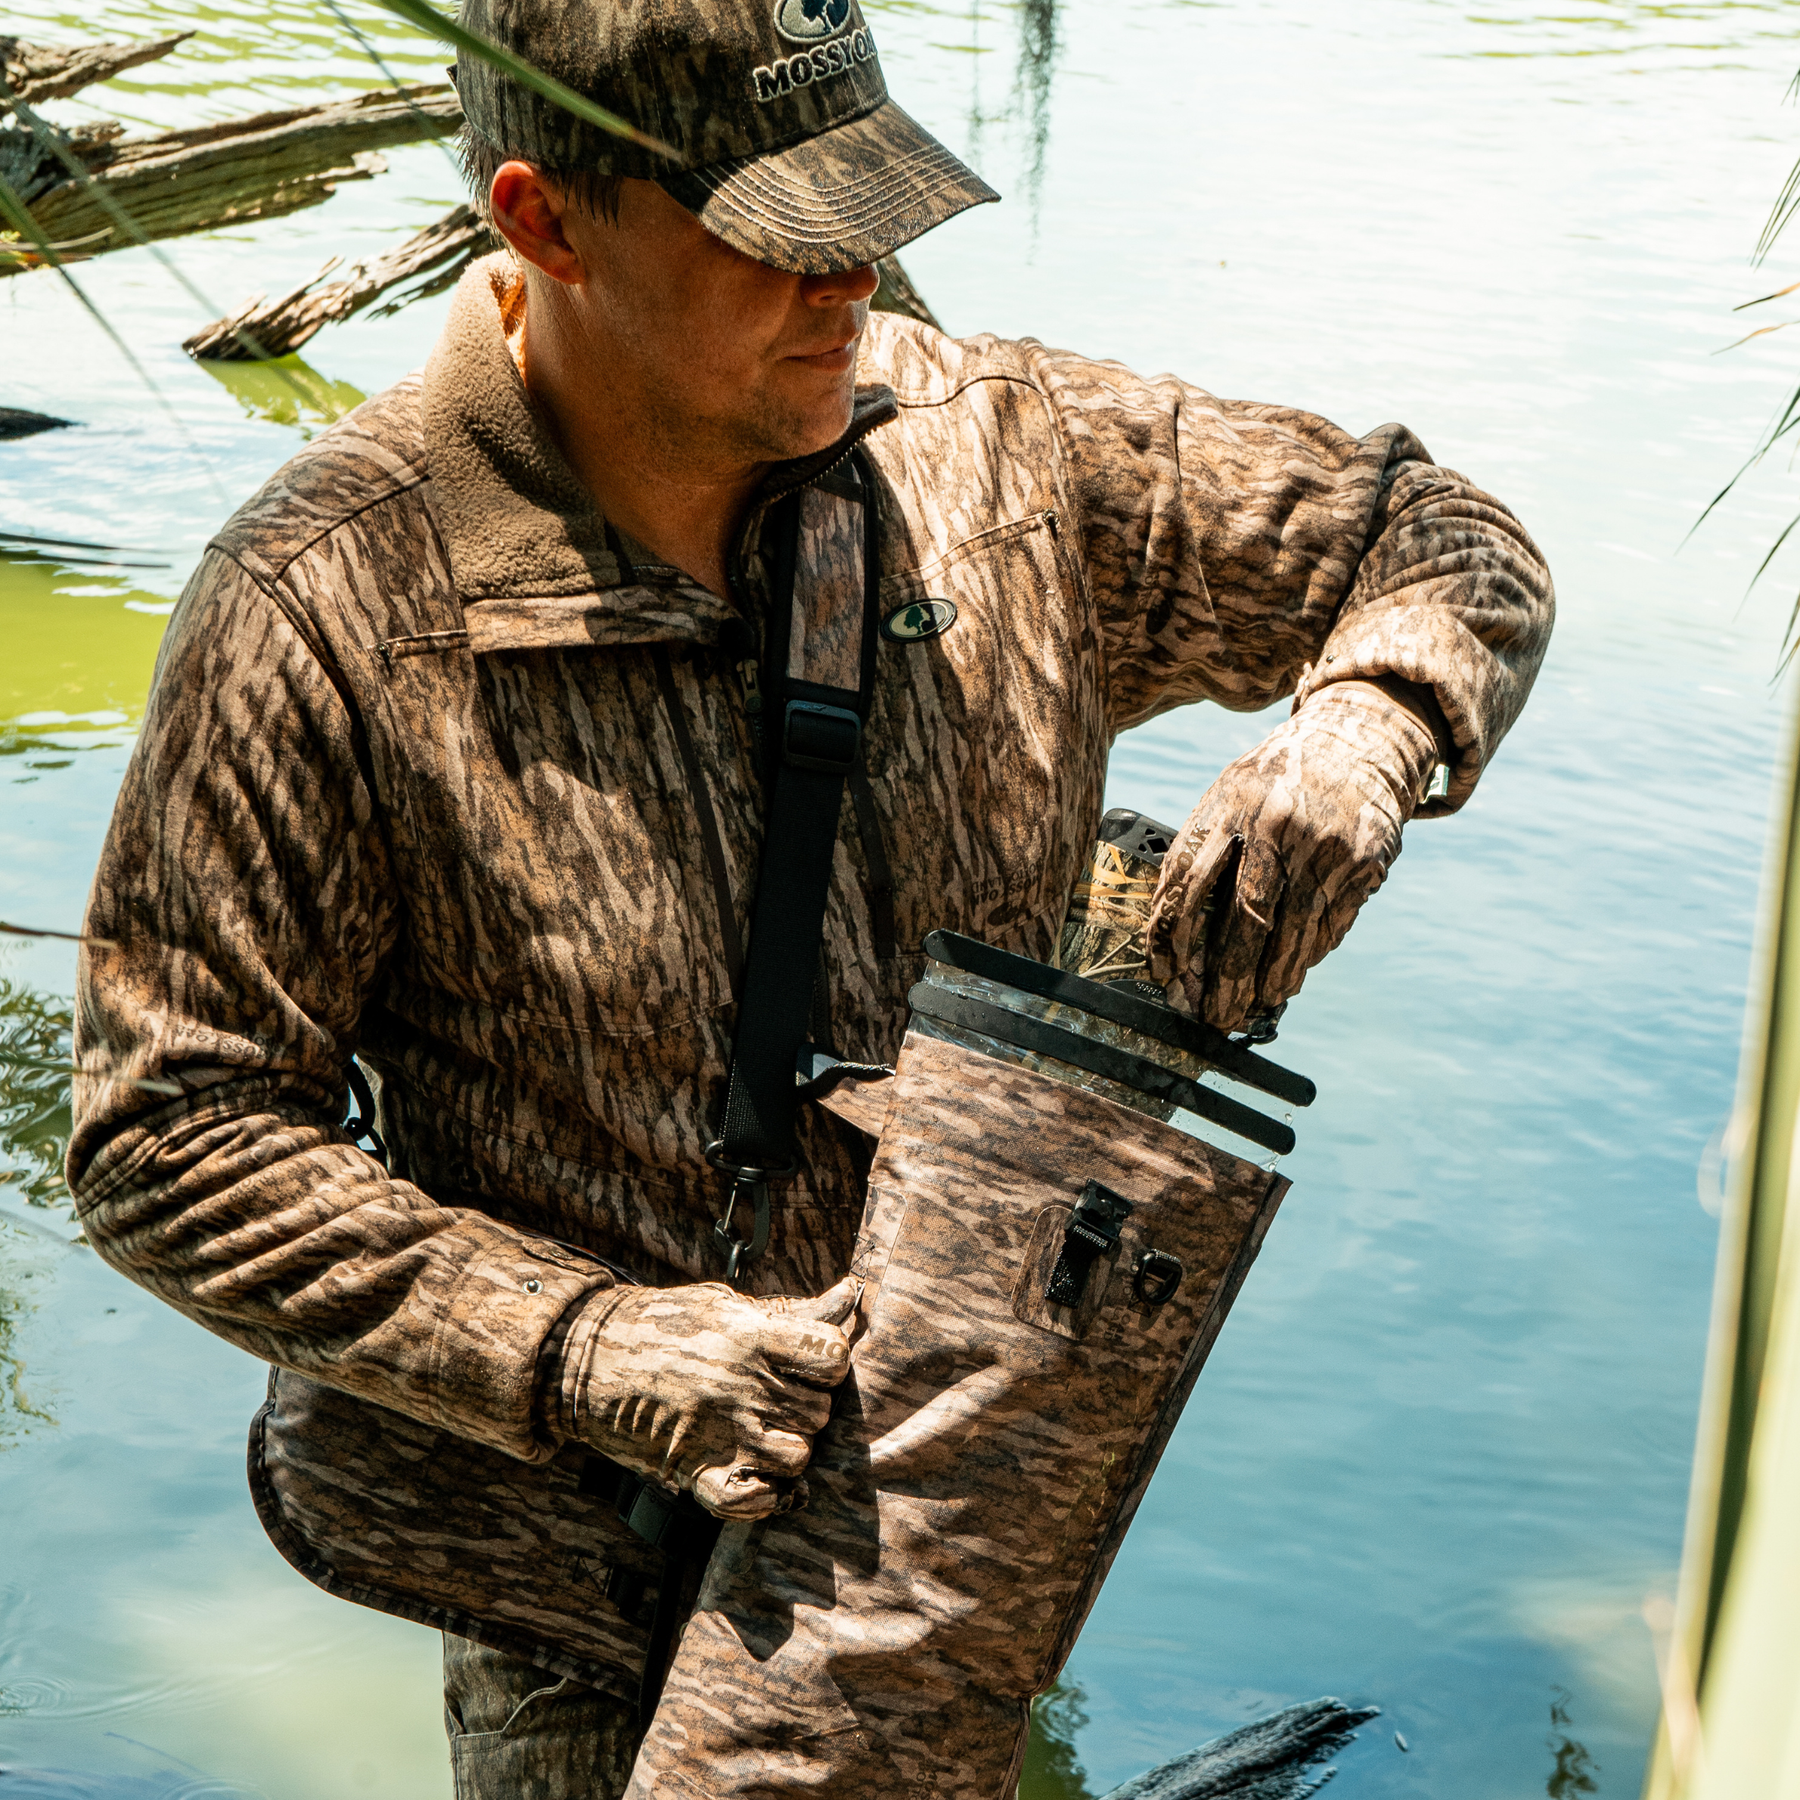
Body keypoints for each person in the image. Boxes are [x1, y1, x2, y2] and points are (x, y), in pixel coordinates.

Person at [65, 0, 1554, 1792]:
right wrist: (592, 1348)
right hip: (572, 1572)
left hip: (963, 1521)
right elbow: (167, 1139)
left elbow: (1437, 538)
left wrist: (1370, 725)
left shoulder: (1001, 463)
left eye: (876, 204)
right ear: (544, 218)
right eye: (779, 231)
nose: (855, 274)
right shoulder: (320, 611)